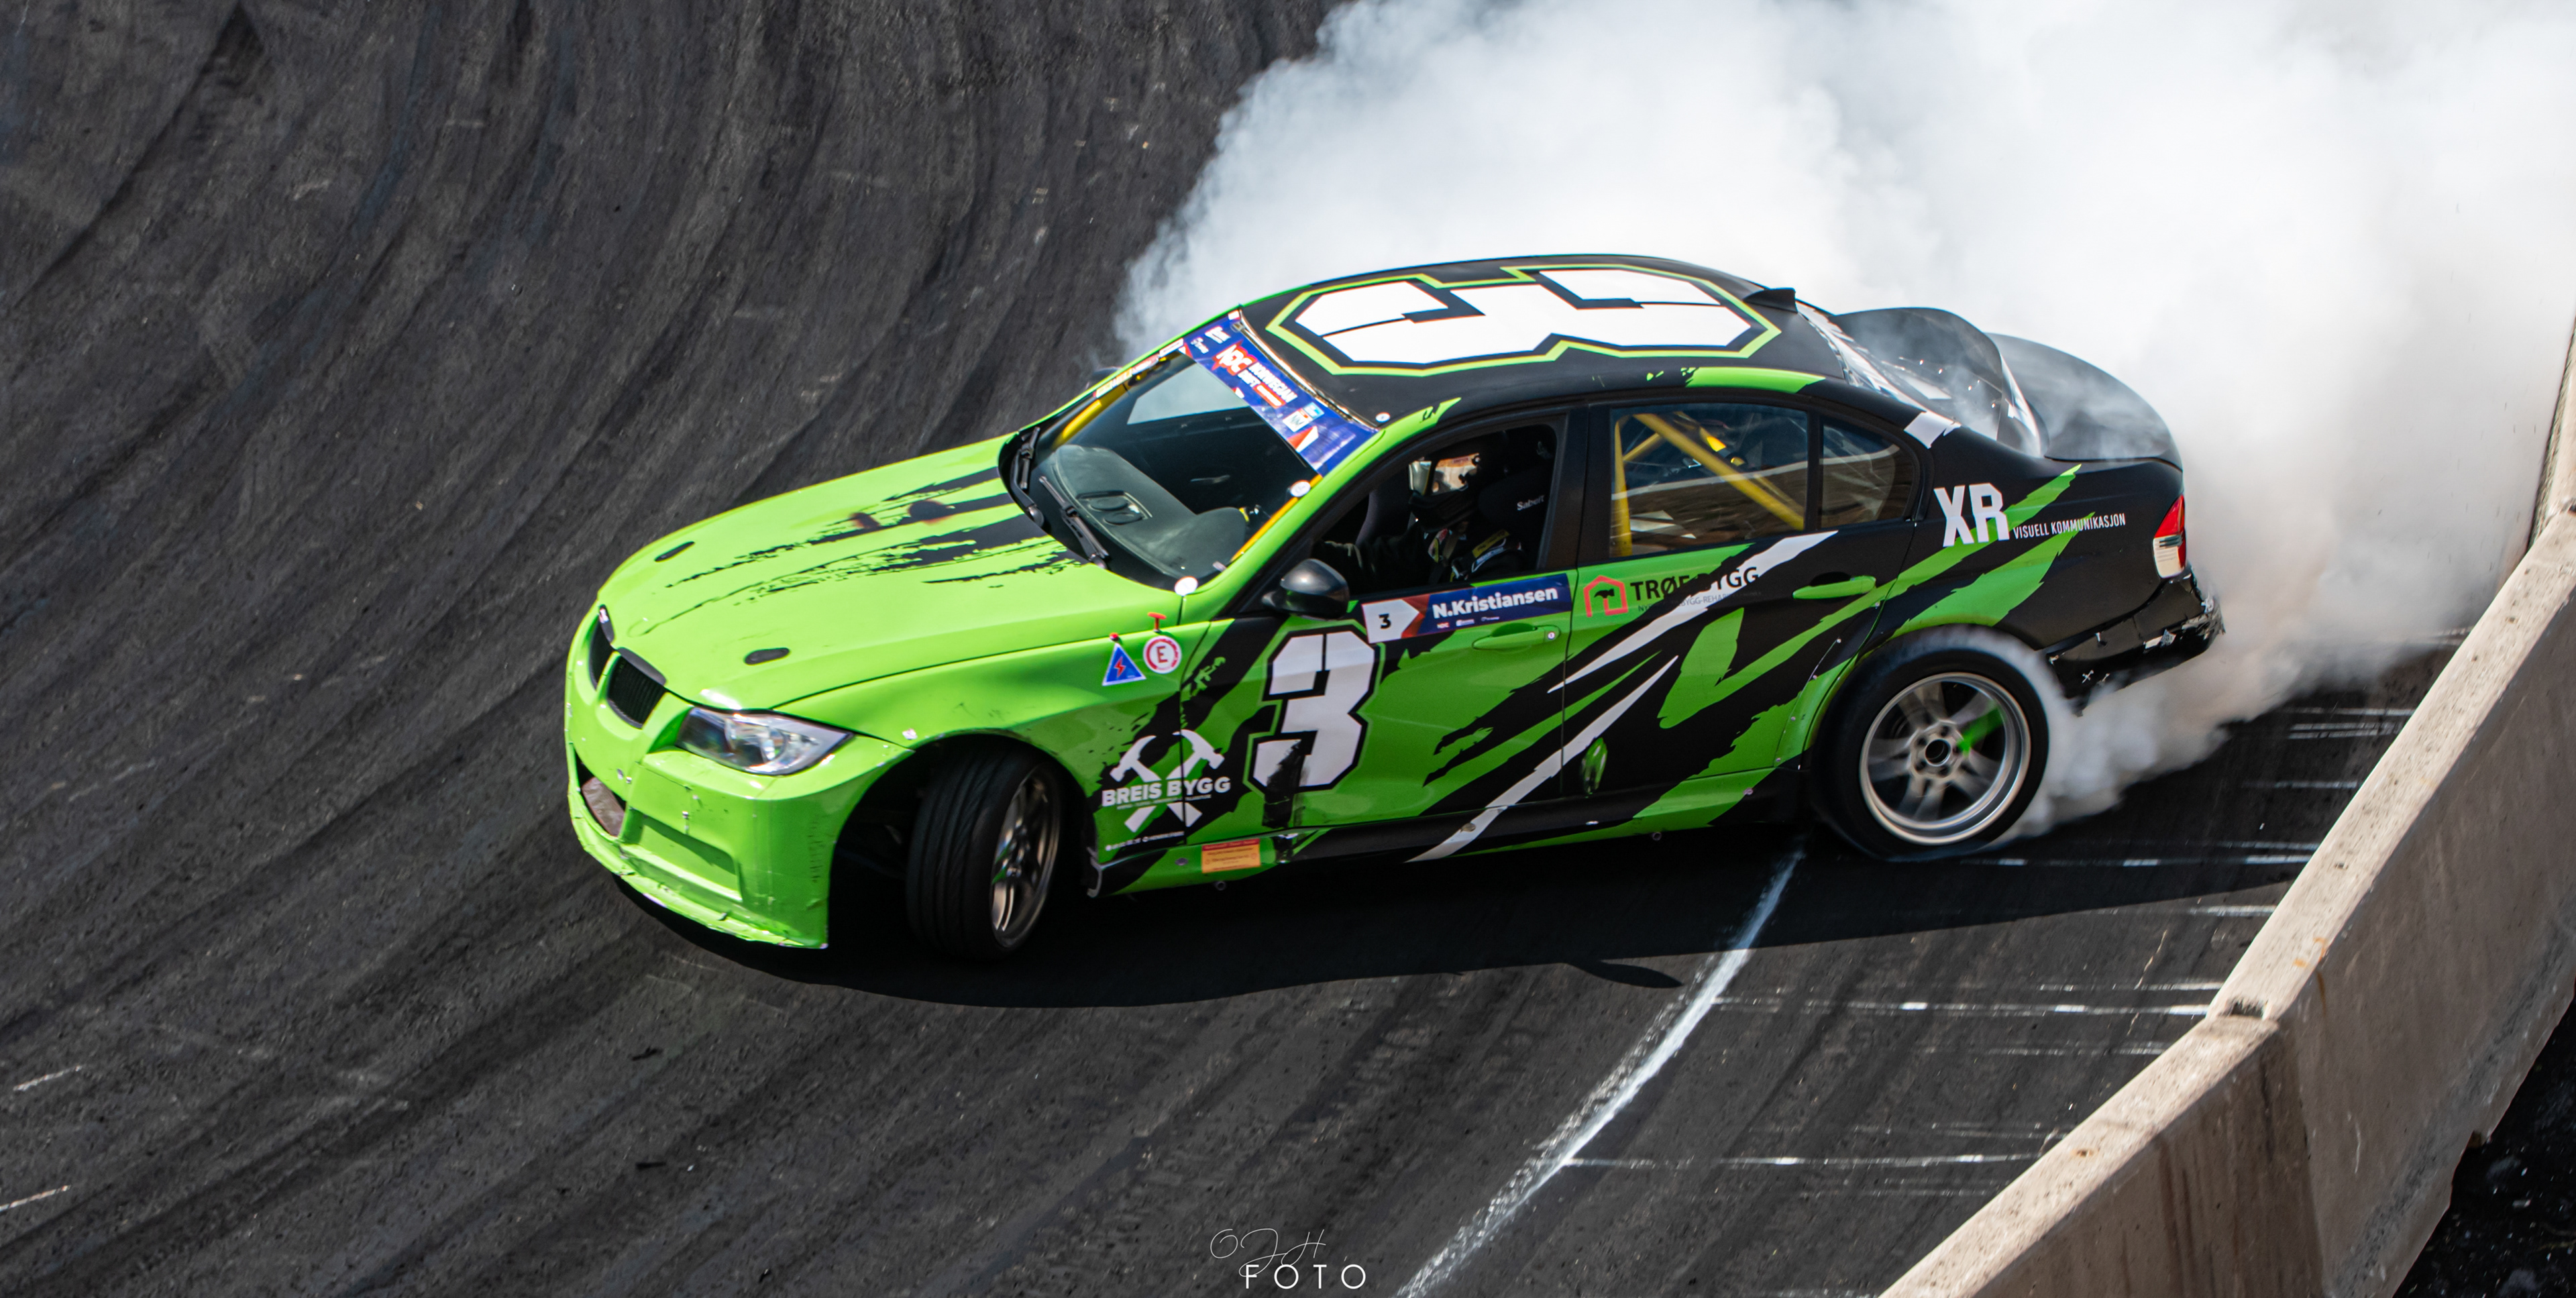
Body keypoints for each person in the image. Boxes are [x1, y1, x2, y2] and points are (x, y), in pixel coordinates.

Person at [1317, 428, 1552, 596]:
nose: (1430, 489)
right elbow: (1377, 565)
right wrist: (1311, 553)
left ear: (1472, 475)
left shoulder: (1501, 563)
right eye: (1422, 476)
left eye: (1441, 479)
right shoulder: (1445, 531)